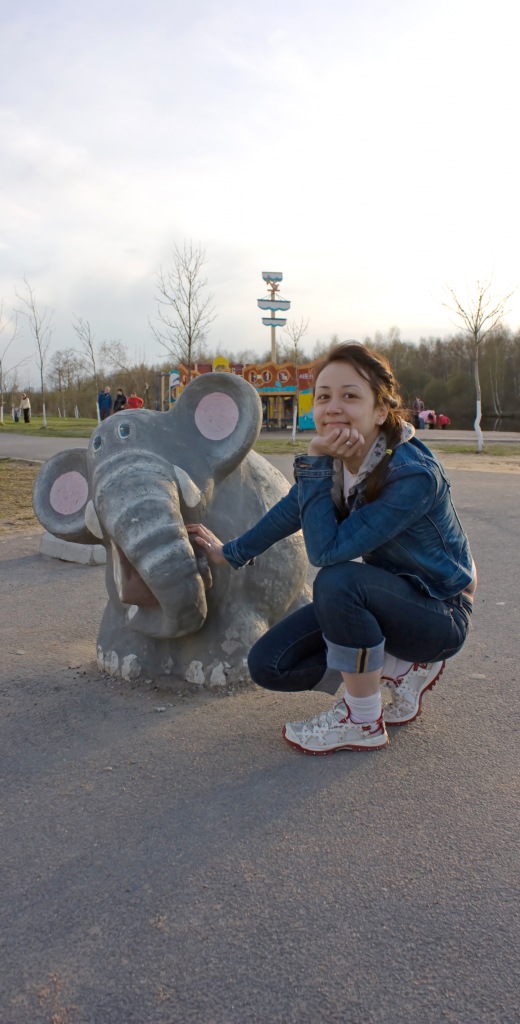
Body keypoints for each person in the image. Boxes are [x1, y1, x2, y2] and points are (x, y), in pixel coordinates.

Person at [188, 342, 476, 756]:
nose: (333, 407)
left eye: (350, 396)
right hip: (388, 600)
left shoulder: (412, 475)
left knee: (337, 581)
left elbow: (325, 552)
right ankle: (398, 668)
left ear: (381, 410)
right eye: (323, 397)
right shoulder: (344, 457)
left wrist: (316, 459)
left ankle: (363, 719)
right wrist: (228, 553)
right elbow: (290, 512)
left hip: (439, 615)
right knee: (269, 664)